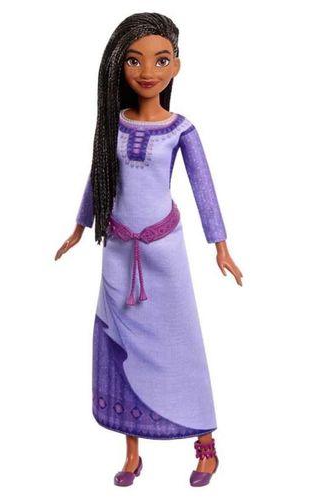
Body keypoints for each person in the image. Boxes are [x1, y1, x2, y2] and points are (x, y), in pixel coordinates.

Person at [55, 12, 243, 487]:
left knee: (183, 344)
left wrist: (220, 245)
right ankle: (132, 452)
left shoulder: (181, 130)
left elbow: (204, 189)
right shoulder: (114, 126)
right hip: (119, 251)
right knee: (122, 347)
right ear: (120, 65)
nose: (147, 71)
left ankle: (205, 444)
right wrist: (80, 226)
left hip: (164, 253)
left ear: (176, 66)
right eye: (135, 60)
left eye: (160, 60)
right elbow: (98, 177)